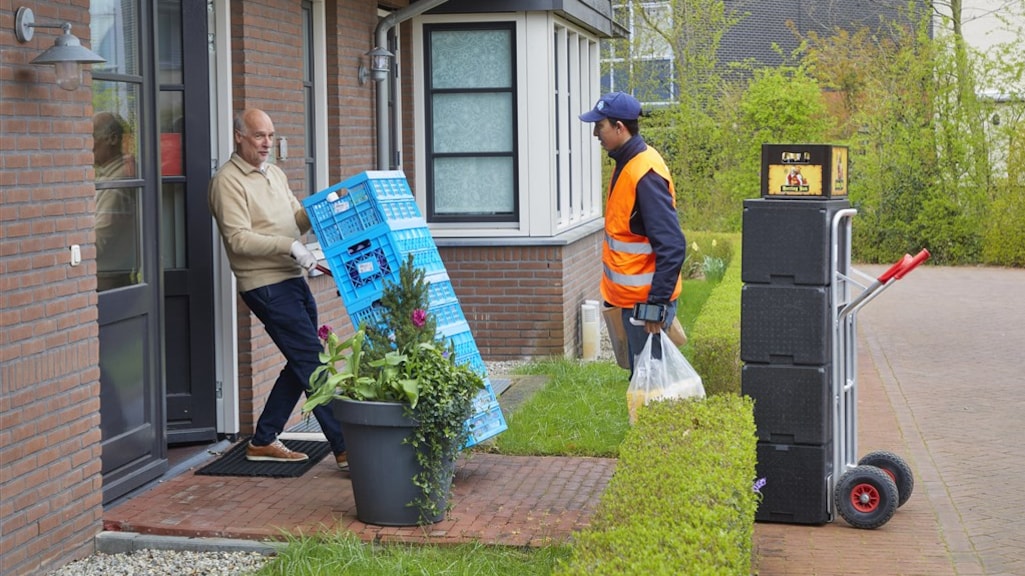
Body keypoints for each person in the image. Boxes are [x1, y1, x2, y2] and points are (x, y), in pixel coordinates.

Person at [208, 108, 348, 468]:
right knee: (312, 362)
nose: (266, 143)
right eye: (258, 135)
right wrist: (288, 246)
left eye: (270, 135)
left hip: (292, 277)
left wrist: (323, 207)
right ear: (239, 136)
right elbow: (238, 239)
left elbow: (294, 220)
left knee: (301, 359)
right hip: (265, 285)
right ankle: (346, 448)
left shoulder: (274, 173)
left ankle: (264, 438)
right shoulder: (228, 182)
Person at [579, 92, 687, 376]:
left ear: (619, 127)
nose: (595, 133)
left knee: (651, 387)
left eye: (599, 126)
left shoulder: (644, 173)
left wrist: (656, 305)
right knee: (645, 382)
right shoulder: (628, 163)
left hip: (645, 307)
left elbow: (673, 245)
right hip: (633, 302)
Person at [93, 111, 139, 291]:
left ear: (112, 139)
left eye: (90, 136)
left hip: (108, 282)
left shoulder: (116, 184)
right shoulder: (111, 176)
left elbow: (98, 242)